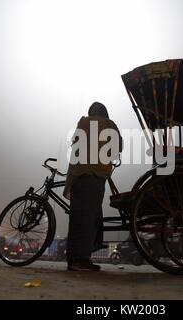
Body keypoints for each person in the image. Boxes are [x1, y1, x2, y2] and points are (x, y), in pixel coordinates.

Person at [64, 102, 123, 271]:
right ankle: (80, 260)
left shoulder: (83, 122)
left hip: (78, 175)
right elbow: (118, 147)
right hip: (95, 175)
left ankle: (74, 259)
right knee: (88, 217)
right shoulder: (109, 125)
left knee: (78, 217)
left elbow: (75, 144)